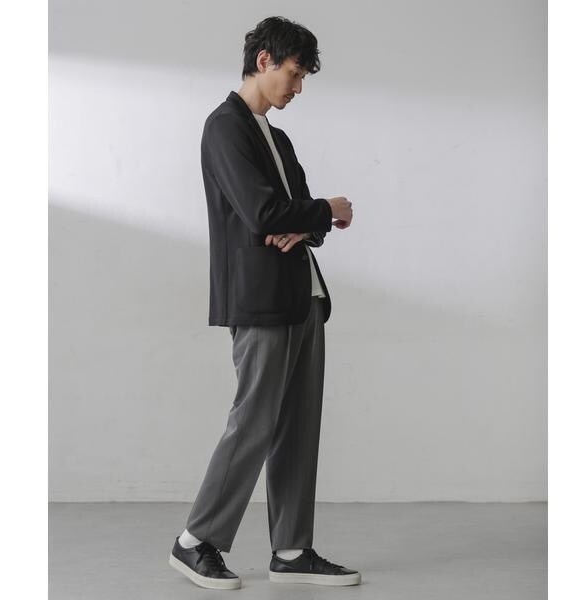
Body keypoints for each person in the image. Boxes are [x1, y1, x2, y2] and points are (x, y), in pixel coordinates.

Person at [168, 16, 358, 590]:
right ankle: (195, 541)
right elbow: (263, 214)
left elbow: (297, 217)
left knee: (299, 424)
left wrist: (309, 220)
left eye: (303, 79)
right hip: (259, 299)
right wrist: (327, 209)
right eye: (294, 74)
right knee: (253, 420)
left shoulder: (278, 138)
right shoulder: (224, 128)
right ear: (264, 60)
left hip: (304, 296)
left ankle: (292, 550)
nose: (297, 88)